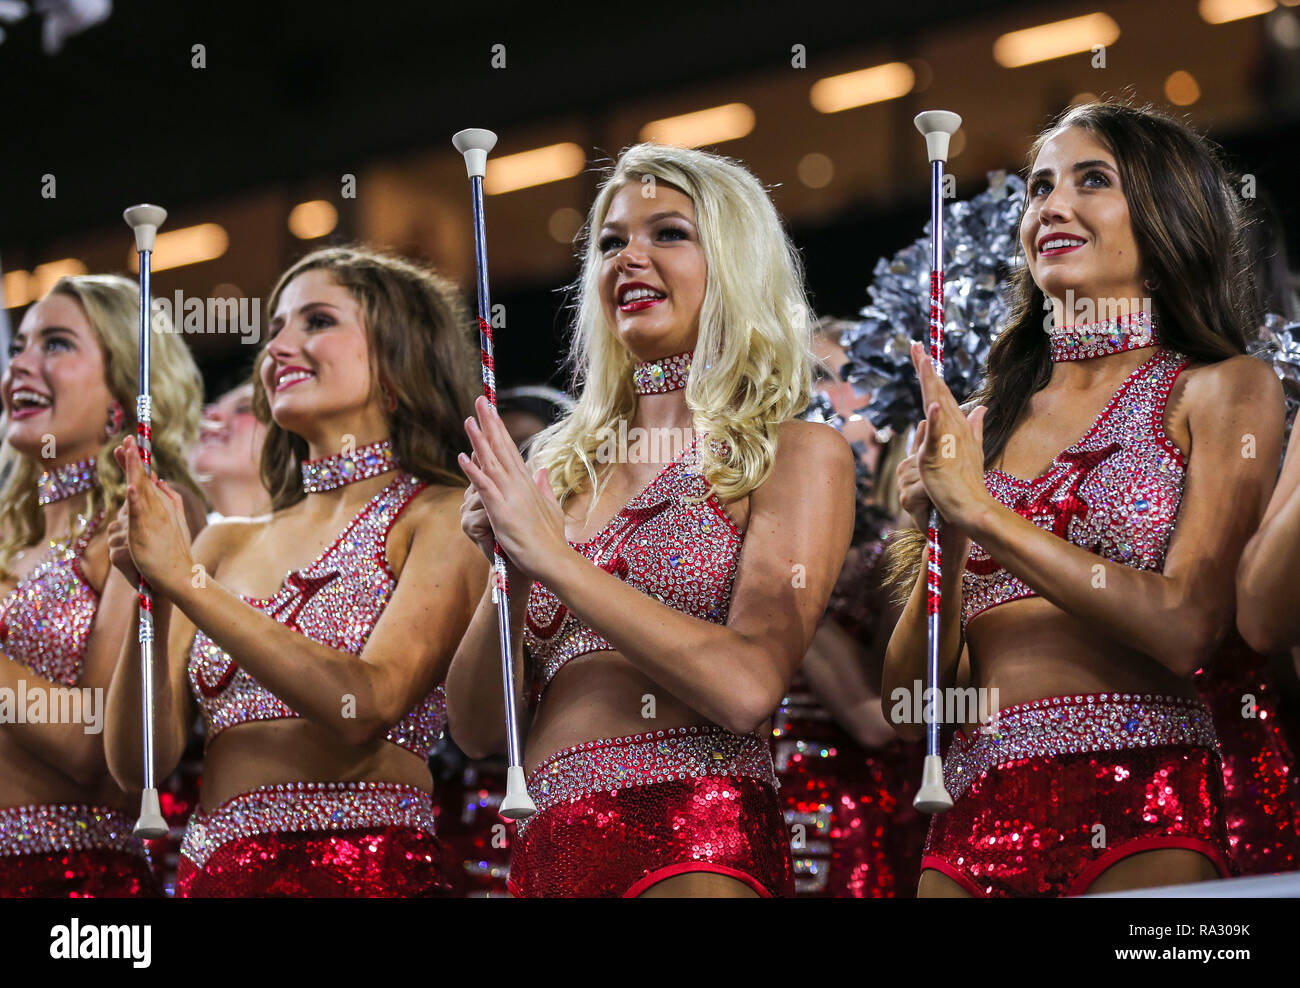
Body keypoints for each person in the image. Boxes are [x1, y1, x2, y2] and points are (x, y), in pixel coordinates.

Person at [882, 100, 1285, 897]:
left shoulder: (1222, 388)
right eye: (1038, 189)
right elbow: (914, 708)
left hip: (1142, 807)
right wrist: (948, 536)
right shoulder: (970, 426)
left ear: (1168, 214)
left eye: (1091, 180)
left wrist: (982, 512)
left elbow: (1186, 627)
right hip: (965, 822)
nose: (1051, 208)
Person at [446, 142, 856, 898]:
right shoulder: (555, 474)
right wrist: (506, 566)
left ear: (734, 260)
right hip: (546, 851)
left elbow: (745, 687)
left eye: (668, 233)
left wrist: (556, 559)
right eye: (610, 242)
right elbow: (475, 731)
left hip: (694, 840)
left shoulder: (797, 452)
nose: (629, 257)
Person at [104, 246, 487, 897]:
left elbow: (365, 706)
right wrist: (157, 596)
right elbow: (139, 764)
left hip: (368, 872)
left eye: (316, 321)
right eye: (275, 328)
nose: (278, 346)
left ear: (399, 357)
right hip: (214, 876)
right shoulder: (224, 541)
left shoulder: (443, 514)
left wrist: (186, 581)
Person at [0, 274, 203, 897]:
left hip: (69, 883)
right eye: (19, 347)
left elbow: (100, 754)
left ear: (124, 391)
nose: (21, 367)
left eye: (56, 345)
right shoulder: (10, 540)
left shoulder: (144, 523)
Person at [191, 380, 271, 519]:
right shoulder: (174, 533)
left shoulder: (314, 537)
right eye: (210, 408)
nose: (211, 415)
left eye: (243, 408)